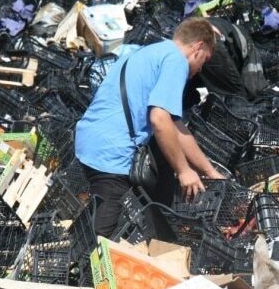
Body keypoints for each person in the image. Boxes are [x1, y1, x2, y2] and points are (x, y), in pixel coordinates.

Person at [75, 17, 224, 238]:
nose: (202, 67)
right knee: (100, 237)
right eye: (205, 59)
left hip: (91, 139)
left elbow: (175, 126)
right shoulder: (176, 62)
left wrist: (209, 172)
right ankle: (70, 266)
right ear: (198, 47)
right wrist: (184, 172)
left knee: (111, 218)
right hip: (111, 154)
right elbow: (159, 119)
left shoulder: (152, 51)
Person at [183, 17, 267, 110]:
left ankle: (182, 115)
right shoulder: (251, 52)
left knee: (187, 91)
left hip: (194, 35)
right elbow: (254, 88)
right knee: (236, 98)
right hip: (211, 42)